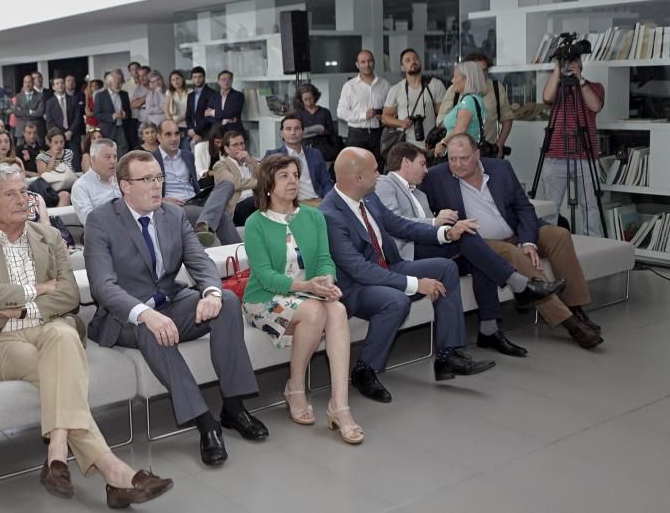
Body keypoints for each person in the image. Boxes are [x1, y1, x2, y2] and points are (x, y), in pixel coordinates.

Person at [0, 165, 173, 506]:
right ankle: (112, 473)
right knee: (63, 366)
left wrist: (22, 306)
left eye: (24, 192)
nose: (22, 200)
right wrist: (38, 289)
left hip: (50, 328)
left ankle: (60, 451)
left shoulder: (49, 237)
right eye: (9, 194)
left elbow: (69, 295)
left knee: (64, 339)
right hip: (0, 342)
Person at [85, 150, 268, 466]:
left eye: (159, 178)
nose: (156, 186)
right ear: (125, 186)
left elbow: (199, 261)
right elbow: (103, 287)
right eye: (146, 180)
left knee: (225, 301)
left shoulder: (174, 215)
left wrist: (210, 292)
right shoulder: (100, 221)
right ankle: (203, 422)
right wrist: (145, 313)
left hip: (173, 302)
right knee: (148, 328)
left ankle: (233, 407)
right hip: (126, 317)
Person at [318, 147, 495, 404]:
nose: (380, 176)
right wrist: (415, 284)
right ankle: (364, 371)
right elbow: (358, 269)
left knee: (446, 268)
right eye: (375, 171)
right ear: (358, 178)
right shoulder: (329, 215)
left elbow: (400, 225)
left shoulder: (369, 198)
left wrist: (446, 233)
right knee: (396, 301)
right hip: (356, 287)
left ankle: (447, 356)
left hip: (388, 269)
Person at [376, 143, 564, 357]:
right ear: (405, 163)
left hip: (427, 248)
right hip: (406, 254)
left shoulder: (419, 195)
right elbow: (396, 224)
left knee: (478, 258)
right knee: (466, 235)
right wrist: (436, 222)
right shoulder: (385, 184)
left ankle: (489, 330)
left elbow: (427, 228)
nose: (426, 170)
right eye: (422, 164)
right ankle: (521, 286)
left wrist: (445, 225)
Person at [421, 134, 604, 349]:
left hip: (514, 230)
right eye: (452, 159)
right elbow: (419, 214)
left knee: (559, 236)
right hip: (481, 242)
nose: (458, 165)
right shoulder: (435, 177)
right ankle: (569, 322)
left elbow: (523, 207)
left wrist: (528, 242)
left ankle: (576, 308)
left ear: (477, 154)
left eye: (464, 158)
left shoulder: (501, 168)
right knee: (510, 252)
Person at [242, 154, 363, 443]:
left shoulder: (314, 215)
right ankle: (296, 388)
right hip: (265, 299)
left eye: (295, 174)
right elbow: (265, 276)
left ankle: (340, 407)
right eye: (283, 175)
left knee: (337, 310)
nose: (292, 180)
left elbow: (324, 259)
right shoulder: (255, 223)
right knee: (314, 311)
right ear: (268, 185)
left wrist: (327, 281)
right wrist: (309, 286)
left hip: (308, 295)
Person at [540, 55, 605, 236]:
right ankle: (551, 244)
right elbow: (546, 97)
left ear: (581, 64)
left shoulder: (594, 87)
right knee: (549, 207)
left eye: (573, 62)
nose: (570, 65)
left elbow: (595, 106)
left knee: (590, 206)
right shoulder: (556, 87)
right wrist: (556, 71)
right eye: (566, 62)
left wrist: (581, 81)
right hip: (555, 154)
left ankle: (593, 246)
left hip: (585, 155)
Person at [153, 120, 241, 247]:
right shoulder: (152, 160)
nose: (174, 138)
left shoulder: (187, 155)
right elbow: (144, 190)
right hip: (177, 205)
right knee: (222, 215)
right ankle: (239, 255)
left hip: (196, 198)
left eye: (177, 134)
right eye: (168, 134)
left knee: (227, 184)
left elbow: (196, 182)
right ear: (159, 137)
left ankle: (203, 224)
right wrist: (162, 200)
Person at [437, 52, 513, 158]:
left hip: (480, 150)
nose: (481, 74)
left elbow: (461, 128)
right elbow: (441, 120)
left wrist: (500, 144)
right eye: (477, 70)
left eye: (484, 70)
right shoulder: (455, 90)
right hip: (460, 151)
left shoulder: (474, 98)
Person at [382, 48, 446, 150]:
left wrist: (439, 137)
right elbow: (385, 117)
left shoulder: (435, 84)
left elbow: (443, 115)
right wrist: (401, 123)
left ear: (420, 61)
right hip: (405, 145)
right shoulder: (396, 89)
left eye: (415, 59)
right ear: (402, 67)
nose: (413, 62)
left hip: (430, 144)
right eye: (408, 60)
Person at [265, 115, 333, 207]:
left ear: (303, 131)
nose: (293, 133)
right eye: (288, 129)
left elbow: (327, 182)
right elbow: (264, 182)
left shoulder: (314, 154)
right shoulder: (273, 156)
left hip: (317, 201)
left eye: (297, 129)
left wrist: (327, 201)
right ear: (281, 132)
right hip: (290, 205)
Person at [336, 49, 389, 166]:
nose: (367, 65)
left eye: (370, 61)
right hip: (357, 135)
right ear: (357, 65)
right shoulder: (349, 86)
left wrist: (384, 115)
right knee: (355, 169)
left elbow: (390, 109)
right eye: (363, 62)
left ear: (374, 63)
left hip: (378, 134)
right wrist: (363, 115)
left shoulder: (384, 84)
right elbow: (341, 112)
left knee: (377, 168)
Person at [433, 61, 487, 158]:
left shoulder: (469, 100)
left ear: (467, 79)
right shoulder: (475, 98)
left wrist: (443, 143)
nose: (452, 80)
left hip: (462, 155)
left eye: (456, 77)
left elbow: (460, 129)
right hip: (466, 153)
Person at [211, 130, 258, 227]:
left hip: (254, 201)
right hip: (236, 207)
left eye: (242, 143)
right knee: (254, 201)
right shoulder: (221, 166)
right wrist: (259, 182)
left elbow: (266, 177)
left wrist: (251, 161)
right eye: (235, 145)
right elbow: (233, 183)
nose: (240, 148)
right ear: (227, 149)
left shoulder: (249, 162)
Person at [71, 138, 120, 226]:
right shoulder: (81, 186)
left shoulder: (123, 179)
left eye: (115, 157)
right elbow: (89, 220)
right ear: (93, 160)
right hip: (104, 234)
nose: (113, 161)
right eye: (107, 157)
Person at [44, 76, 85, 170]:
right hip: (58, 137)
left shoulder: (74, 99)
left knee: (75, 162)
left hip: (73, 135)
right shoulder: (49, 103)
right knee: (60, 162)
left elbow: (78, 117)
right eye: (57, 84)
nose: (60, 85)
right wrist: (61, 135)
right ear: (53, 87)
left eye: (62, 83)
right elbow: (50, 121)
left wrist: (70, 132)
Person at [94, 71, 135, 157]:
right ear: (109, 83)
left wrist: (125, 114)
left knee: (124, 146)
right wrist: (112, 116)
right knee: (108, 150)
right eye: (118, 83)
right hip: (107, 129)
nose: (120, 85)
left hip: (122, 127)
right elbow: (97, 114)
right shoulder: (100, 96)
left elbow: (129, 112)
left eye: (121, 82)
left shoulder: (124, 94)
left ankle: (120, 167)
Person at [293, 83, 338, 161]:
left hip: (323, 145)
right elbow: (295, 133)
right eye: (305, 99)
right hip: (304, 145)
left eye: (311, 98)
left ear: (315, 96)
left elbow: (331, 131)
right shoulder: (298, 114)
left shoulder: (324, 112)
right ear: (301, 100)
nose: (309, 102)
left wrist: (324, 131)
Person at [200, 70, 245, 135]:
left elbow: (230, 113)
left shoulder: (238, 95)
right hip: (217, 133)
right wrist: (222, 121)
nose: (226, 82)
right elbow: (207, 116)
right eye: (223, 79)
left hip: (234, 133)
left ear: (232, 81)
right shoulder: (213, 96)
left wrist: (213, 112)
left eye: (229, 79)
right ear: (218, 82)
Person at [36, 128, 76, 198]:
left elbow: (71, 171)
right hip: (52, 190)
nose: (59, 145)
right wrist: (53, 156)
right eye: (56, 142)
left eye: (61, 142)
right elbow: (44, 176)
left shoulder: (68, 153)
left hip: (69, 186)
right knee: (65, 195)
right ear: (49, 142)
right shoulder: (41, 157)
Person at [13, 74, 45, 145]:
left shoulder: (40, 96)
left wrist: (23, 111)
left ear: (33, 83)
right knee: (20, 153)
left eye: (29, 82)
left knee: (39, 153)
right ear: (23, 83)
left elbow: (40, 112)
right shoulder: (18, 96)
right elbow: (16, 113)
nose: (27, 85)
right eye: (25, 82)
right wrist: (31, 112)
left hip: (37, 130)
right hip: (21, 130)